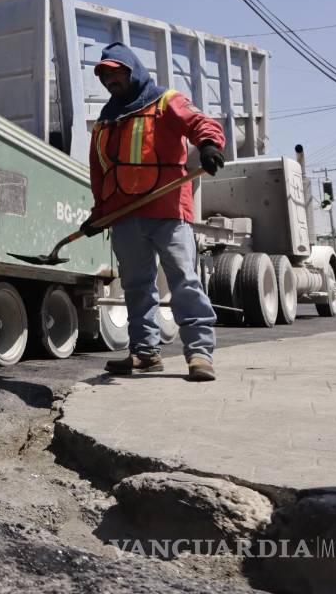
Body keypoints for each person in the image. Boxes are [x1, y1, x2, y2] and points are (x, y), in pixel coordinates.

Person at [81, 42, 227, 382]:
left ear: (132, 70)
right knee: (136, 286)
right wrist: (99, 213)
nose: (110, 81)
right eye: (104, 76)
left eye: (116, 73)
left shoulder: (165, 101)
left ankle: (200, 354)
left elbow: (199, 122)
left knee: (183, 280)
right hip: (125, 216)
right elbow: (101, 173)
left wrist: (208, 145)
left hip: (168, 209)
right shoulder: (104, 121)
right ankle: (145, 354)